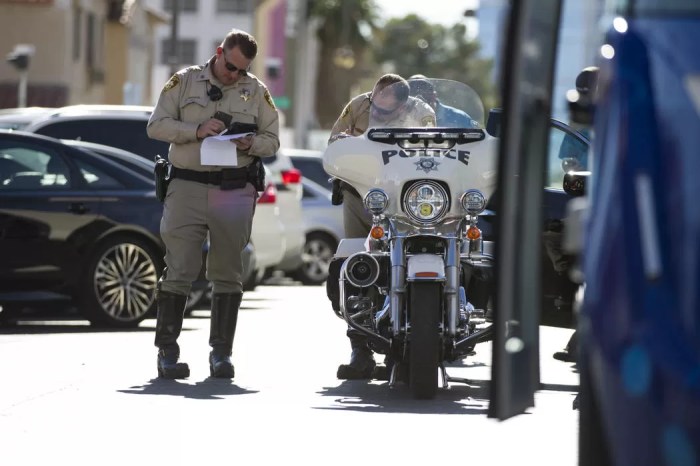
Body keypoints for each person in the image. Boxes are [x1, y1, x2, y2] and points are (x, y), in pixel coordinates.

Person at [147, 28, 280, 379]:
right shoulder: (185, 82)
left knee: (228, 272)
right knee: (179, 268)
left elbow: (273, 140)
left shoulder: (256, 91)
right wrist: (195, 130)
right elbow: (156, 126)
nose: (234, 75)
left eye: (241, 70)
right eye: (230, 66)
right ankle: (167, 352)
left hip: (233, 189)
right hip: (187, 187)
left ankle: (221, 355)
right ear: (219, 51)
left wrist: (251, 143)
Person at [328, 74, 435, 379]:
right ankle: (360, 350)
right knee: (356, 268)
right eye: (376, 103)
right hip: (359, 194)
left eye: (387, 111)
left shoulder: (421, 112)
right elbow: (334, 142)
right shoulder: (358, 105)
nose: (377, 112)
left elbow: (432, 151)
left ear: (402, 105)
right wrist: (345, 144)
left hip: (401, 200)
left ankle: (400, 349)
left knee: (400, 267)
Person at [552, 66, 599, 368]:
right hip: (587, 200)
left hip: (621, 206)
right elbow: (569, 165)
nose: (585, 99)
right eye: (581, 93)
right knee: (554, 235)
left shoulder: (631, 118)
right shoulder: (578, 125)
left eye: (589, 91)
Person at [408, 75, 480, 128]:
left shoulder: (460, 118)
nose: (420, 97)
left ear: (434, 95)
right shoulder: (399, 117)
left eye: (425, 90)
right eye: (413, 92)